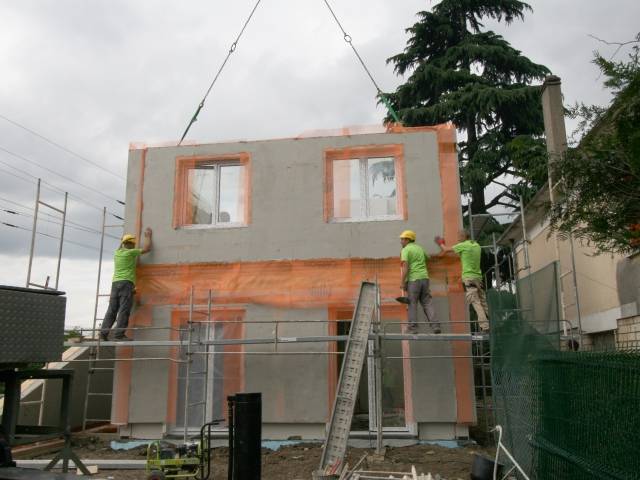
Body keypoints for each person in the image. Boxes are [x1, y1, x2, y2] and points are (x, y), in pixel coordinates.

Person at [100, 228, 152, 341]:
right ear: (132, 244)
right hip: (126, 283)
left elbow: (121, 245)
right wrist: (148, 236)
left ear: (123, 243)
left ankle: (103, 333)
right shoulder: (130, 252)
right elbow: (147, 249)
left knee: (112, 310)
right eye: (133, 244)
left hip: (115, 284)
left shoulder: (117, 253)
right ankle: (119, 335)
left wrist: (122, 240)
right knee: (124, 309)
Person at [435, 230, 489, 332]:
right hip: (478, 278)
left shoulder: (463, 245)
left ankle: (485, 327)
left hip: (469, 278)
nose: (458, 238)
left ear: (464, 236)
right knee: (483, 301)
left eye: (459, 236)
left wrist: (440, 242)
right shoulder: (476, 245)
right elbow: (466, 257)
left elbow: (446, 249)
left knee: (475, 302)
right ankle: (494, 321)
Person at [399, 230, 440, 334]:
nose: (401, 241)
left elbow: (405, 267)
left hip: (413, 280)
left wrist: (402, 282)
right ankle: (435, 326)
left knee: (412, 303)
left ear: (408, 239)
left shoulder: (406, 250)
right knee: (427, 303)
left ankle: (413, 328)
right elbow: (428, 258)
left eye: (402, 239)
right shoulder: (419, 248)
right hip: (425, 279)